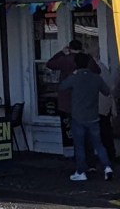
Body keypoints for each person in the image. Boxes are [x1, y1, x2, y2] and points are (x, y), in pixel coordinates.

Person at [59, 52, 113, 181]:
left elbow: (62, 87)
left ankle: (81, 171)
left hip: (78, 116)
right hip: (93, 116)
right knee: (98, 144)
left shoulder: (74, 78)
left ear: (75, 64)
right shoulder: (96, 78)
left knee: (79, 146)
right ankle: (107, 167)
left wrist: (73, 74)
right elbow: (106, 92)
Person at [48, 39, 102, 152]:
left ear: (70, 48)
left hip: (66, 101)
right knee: (85, 130)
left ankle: (71, 153)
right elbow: (97, 71)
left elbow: (50, 64)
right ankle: (87, 154)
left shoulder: (65, 60)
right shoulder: (87, 59)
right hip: (83, 100)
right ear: (81, 48)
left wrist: (62, 52)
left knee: (69, 130)